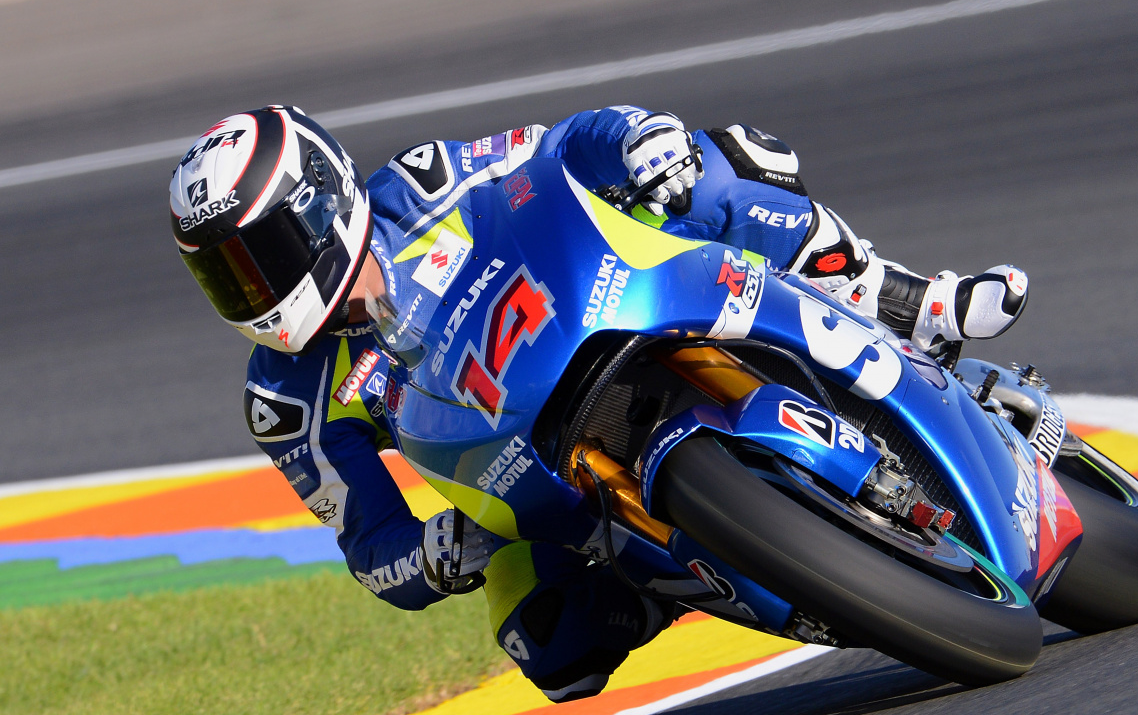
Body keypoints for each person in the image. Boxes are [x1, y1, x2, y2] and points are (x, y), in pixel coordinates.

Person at [169, 104, 1028, 702]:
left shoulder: (421, 186)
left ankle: (910, 300)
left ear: (318, 201)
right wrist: (431, 553)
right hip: (526, 465)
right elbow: (370, 549)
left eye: (261, 254)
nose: (253, 288)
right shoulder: (284, 398)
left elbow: (560, 148)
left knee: (719, 169)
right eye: (225, 273)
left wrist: (637, 141)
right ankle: (680, 581)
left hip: (620, 304)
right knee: (546, 650)